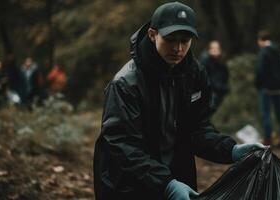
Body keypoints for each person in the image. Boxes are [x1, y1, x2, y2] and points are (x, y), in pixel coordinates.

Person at [93, 2, 264, 200]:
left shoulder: (194, 74)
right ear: (152, 34)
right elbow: (121, 144)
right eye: (170, 39)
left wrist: (231, 150)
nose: (178, 48)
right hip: (128, 185)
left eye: (185, 40)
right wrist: (166, 184)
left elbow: (197, 130)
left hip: (176, 178)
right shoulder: (126, 83)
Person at [254, 30, 280, 147]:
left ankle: (268, 139)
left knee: (266, 113)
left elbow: (260, 70)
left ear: (261, 40)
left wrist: (258, 85)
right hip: (279, 88)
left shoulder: (264, 52)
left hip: (266, 88)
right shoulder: (279, 51)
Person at [199, 40, 229, 114]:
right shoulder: (205, 61)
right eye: (213, 48)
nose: (215, 50)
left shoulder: (221, 60)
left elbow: (225, 75)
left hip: (220, 92)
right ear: (209, 49)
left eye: (217, 48)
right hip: (210, 93)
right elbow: (205, 79)